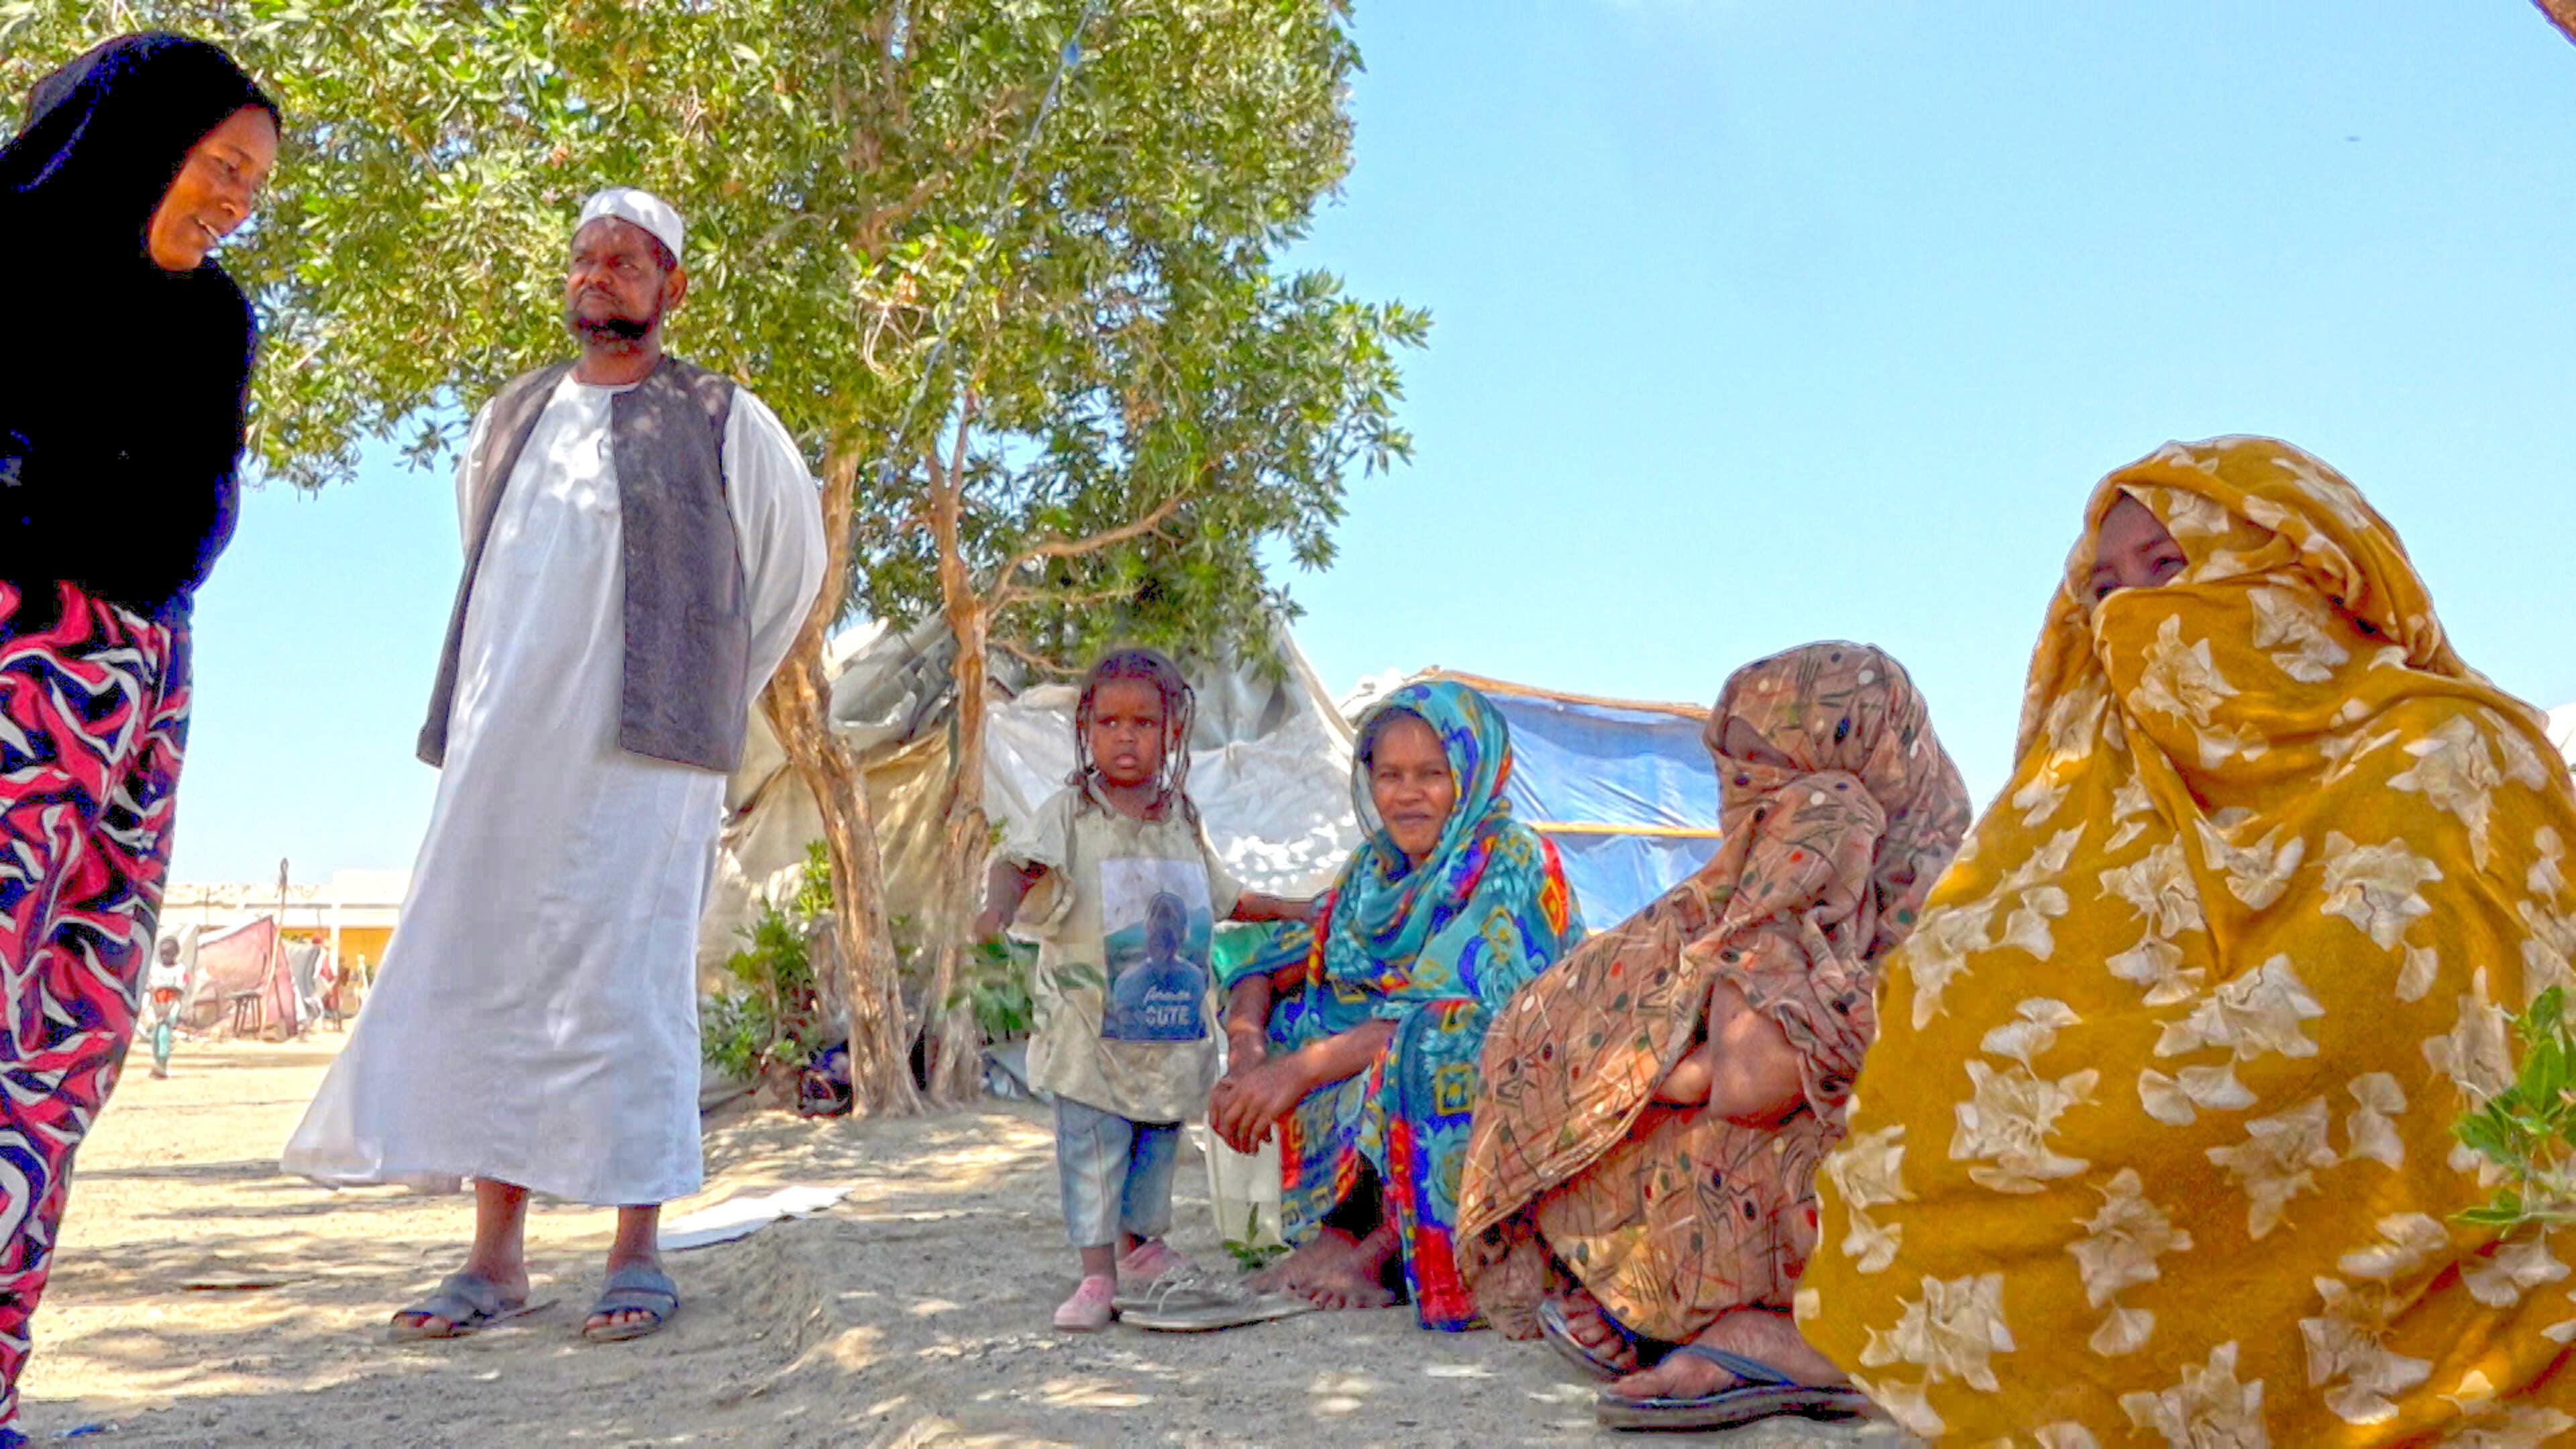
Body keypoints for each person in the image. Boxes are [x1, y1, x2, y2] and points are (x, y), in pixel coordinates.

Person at [1803, 437, 2576, 1443]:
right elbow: (1968, 999)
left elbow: (2411, 1032)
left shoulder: (2448, 752)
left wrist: (2173, 1084)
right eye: (2104, 590)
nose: (2131, 613)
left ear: (2302, 570)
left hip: (2435, 1280)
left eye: (2170, 567)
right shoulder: (2095, 794)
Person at [282, 186, 827, 1346]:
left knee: (631, 984)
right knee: (498, 971)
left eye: (626, 261)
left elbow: (790, 570)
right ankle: (495, 1260)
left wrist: (702, 685)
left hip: (653, 760)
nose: (599, 275)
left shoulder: (727, 418)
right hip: (506, 743)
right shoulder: (510, 418)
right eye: (585, 258)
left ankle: (637, 1251)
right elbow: (491, 559)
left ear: (672, 287)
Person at [1454, 643, 1970, 1432]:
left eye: (1772, 771)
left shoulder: (1940, 893)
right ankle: (1675, 1314)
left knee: (1777, 1145)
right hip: (1785, 1106)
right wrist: (1654, 1075)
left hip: (1928, 1172)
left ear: (1858, 762)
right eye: (1732, 770)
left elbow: (1752, 1079)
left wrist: (1788, 878)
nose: (1745, 795)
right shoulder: (1778, 871)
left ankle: (1799, 1342)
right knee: (1624, 1118)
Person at [0, 33, 278, 1443]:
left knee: (74, 1032)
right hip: (15, 650)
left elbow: (197, 511)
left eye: (254, 186)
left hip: (144, 679)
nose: (235, 201)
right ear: (137, 139)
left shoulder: (219, 320)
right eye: (221, 165)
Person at [1210, 679, 1584, 1329]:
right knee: (1298, 1009)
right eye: (1390, 775)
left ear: (1471, 774)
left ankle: (1387, 1248)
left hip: (1515, 1082)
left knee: (1437, 1037)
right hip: (1388, 1057)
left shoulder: (1513, 859)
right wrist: (1248, 1053)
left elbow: (1457, 999)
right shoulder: (1371, 872)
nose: (1407, 793)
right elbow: (1267, 962)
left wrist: (1297, 1071)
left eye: (1431, 774)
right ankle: (1338, 1231)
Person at [977, 647, 1316, 1332]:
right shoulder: (1072, 814)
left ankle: (1142, 1250)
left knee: (1155, 1144)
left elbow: (1223, 896)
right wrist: (997, 907)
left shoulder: (1181, 818)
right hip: (1091, 1034)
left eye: (1143, 723)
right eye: (1109, 723)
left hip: (1167, 1034)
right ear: (1085, 729)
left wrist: (1295, 908)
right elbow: (1018, 864)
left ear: (1172, 732)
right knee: (1092, 1150)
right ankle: (1097, 1274)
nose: (1125, 738)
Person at [140, 938, 190, 1079]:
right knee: (155, 1036)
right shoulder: (156, 969)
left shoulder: (180, 970)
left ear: (176, 953)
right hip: (156, 1007)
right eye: (162, 954)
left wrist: (165, 989)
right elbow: (151, 987)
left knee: (164, 1034)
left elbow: (180, 989)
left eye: (169, 954)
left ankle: (162, 1063)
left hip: (171, 1007)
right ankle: (157, 1062)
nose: (165, 957)